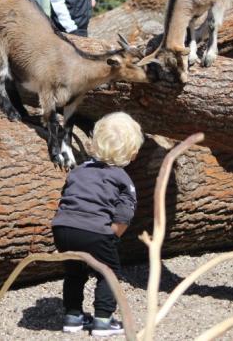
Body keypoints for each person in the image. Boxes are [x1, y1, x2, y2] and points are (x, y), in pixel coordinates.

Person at [52, 112, 144, 336]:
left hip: (62, 228)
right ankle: (103, 320)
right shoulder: (122, 178)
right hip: (95, 231)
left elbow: (67, 196)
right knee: (108, 272)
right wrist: (112, 234)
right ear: (133, 155)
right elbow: (124, 213)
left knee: (74, 271)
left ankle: (72, 316)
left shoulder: (79, 170)